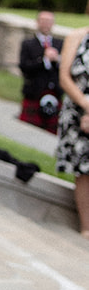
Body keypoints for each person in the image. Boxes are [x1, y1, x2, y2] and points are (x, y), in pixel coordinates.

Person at [54, 23, 89, 235]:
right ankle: (87, 228)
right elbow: (64, 78)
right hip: (77, 112)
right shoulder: (77, 37)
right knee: (83, 169)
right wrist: (86, 106)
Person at [18, 9, 64, 133]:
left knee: (52, 130)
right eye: (43, 21)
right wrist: (44, 60)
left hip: (55, 93)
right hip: (34, 92)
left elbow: (67, 68)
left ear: (53, 23)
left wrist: (57, 59)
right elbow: (24, 67)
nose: (46, 24)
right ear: (37, 22)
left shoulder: (60, 44)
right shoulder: (28, 44)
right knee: (28, 131)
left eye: (49, 21)